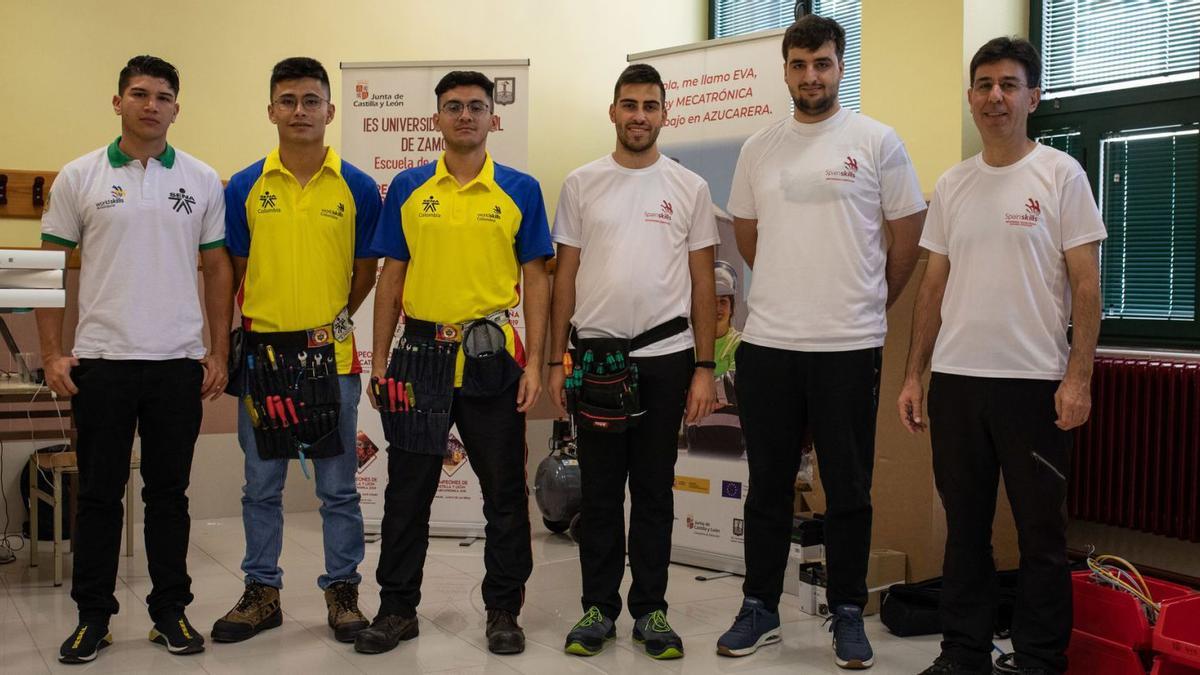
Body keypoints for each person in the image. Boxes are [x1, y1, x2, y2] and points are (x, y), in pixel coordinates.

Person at [715, 15, 927, 670]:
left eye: (824, 64)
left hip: (848, 344)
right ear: (785, 70)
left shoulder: (876, 141)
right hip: (770, 343)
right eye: (800, 64)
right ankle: (759, 606)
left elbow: (908, 234)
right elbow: (749, 237)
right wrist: (787, 287)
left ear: (840, 67)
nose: (812, 76)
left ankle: (844, 610)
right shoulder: (759, 148)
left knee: (849, 487)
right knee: (769, 485)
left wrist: (866, 301)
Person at [899, 37, 1104, 675]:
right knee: (966, 531)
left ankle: (1041, 660)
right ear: (971, 98)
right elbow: (932, 287)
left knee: (1041, 536)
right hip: (958, 384)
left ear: (1032, 97)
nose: (995, 96)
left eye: (1009, 84)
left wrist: (1079, 379)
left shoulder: (1060, 174)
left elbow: (1088, 286)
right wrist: (914, 375)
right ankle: (964, 654)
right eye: (984, 85)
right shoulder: (954, 185)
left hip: (1034, 386)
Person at [37, 54, 232, 663]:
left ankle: (169, 614)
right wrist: (51, 352)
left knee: (169, 495)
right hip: (102, 360)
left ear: (177, 107)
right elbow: (52, 268)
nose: (152, 105)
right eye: (139, 94)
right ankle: (92, 617)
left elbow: (218, 267)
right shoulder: (79, 176)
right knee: (97, 496)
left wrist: (217, 349)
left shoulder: (202, 179)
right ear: (117, 102)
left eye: (163, 96)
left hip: (177, 362)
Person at [359, 70, 552, 656]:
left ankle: (502, 610)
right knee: (408, 492)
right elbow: (391, 276)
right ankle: (396, 610)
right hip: (419, 359)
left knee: (503, 495)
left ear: (493, 117)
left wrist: (537, 363)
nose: (464, 115)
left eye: (475, 106)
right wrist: (382, 360)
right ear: (437, 118)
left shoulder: (520, 189)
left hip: (492, 359)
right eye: (453, 107)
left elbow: (537, 279)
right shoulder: (410, 187)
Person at [547, 63, 718, 660]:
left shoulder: (689, 188)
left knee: (653, 493)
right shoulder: (581, 183)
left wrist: (704, 366)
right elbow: (562, 276)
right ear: (614, 112)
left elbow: (704, 284)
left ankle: (651, 611)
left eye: (650, 105)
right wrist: (552, 359)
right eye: (629, 104)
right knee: (598, 494)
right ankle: (597, 608)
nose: (639, 115)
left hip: (667, 359)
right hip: (594, 359)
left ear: (665, 113)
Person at [213, 56, 380, 645]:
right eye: (288, 100)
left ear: (331, 110)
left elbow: (367, 270)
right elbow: (234, 268)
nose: (300, 111)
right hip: (263, 361)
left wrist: (335, 319)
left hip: (330, 361)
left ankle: (343, 592)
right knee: (261, 485)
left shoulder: (358, 186)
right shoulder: (242, 186)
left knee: (338, 488)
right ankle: (262, 592)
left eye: (312, 100)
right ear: (271, 111)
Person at [685, 260, 744, 458]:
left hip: (734, 439)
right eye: (712, 301)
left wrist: (701, 389)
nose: (718, 308)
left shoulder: (741, 343)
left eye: (723, 302)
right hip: (696, 437)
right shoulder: (690, 343)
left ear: (732, 307)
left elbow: (738, 388)